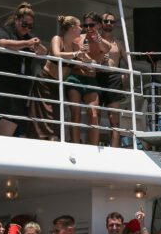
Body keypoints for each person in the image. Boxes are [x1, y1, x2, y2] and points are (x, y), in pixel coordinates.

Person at [29, 15, 94, 141]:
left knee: (56, 118)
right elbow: (57, 54)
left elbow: (88, 61)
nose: (82, 29)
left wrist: (86, 56)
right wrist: (76, 54)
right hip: (45, 83)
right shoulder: (57, 39)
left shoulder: (75, 46)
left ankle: (53, 141)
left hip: (57, 86)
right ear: (72, 28)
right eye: (79, 26)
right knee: (43, 118)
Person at [0, 2, 47, 137]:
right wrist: (26, 44)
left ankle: (3, 138)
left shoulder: (29, 37)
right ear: (16, 19)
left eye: (30, 26)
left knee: (18, 114)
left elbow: (43, 52)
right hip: (0, 81)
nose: (27, 28)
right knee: (11, 113)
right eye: (24, 24)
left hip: (19, 84)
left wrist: (38, 46)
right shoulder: (4, 30)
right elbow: (1, 43)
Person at [65, 11, 112, 145]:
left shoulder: (103, 42)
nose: (88, 28)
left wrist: (98, 40)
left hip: (91, 79)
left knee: (94, 115)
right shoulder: (78, 39)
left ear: (98, 25)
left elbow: (107, 49)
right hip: (75, 77)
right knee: (76, 114)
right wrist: (86, 61)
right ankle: (75, 143)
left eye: (91, 25)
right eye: (86, 25)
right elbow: (73, 60)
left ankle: (93, 147)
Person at [98, 11, 128, 147]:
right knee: (94, 114)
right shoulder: (95, 40)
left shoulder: (119, 43)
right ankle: (93, 145)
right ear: (101, 23)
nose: (109, 23)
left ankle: (115, 148)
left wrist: (124, 73)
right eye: (106, 21)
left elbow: (129, 63)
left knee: (113, 117)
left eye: (111, 21)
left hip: (114, 78)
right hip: (97, 75)